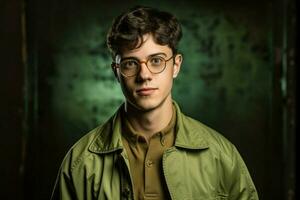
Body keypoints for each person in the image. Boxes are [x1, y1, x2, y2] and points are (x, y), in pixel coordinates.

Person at [51, 5, 259, 200]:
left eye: (156, 60)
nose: (144, 75)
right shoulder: (80, 162)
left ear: (175, 66)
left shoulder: (220, 155)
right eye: (131, 63)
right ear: (117, 72)